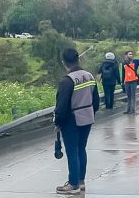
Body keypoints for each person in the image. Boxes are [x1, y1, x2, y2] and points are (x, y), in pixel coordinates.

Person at [54, 48, 100, 195]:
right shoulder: (89, 76)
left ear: (64, 63)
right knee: (81, 149)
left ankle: (73, 184)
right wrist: (89, 112)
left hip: (71, 121)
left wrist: (58, 122)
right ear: (78, 59)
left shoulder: (67, 81)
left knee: (72, 151)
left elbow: (61, 107)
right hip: (87, 117)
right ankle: (81, 181)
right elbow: (96, 101)